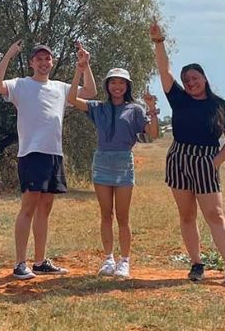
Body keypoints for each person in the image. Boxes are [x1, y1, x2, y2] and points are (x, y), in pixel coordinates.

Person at [149, 21, 225, 287]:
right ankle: (196, 264)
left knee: (215, 215)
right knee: (187, 215)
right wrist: (159, 42)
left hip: (206, 160)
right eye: (187, 80)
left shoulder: (220, 106)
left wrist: (215, 162)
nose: (191, 83)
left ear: (204, 79)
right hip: (179, 158)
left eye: (195, 78)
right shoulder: (178, 99)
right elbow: (164, 69)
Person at [0, 40, 97, 280]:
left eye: (47, 58)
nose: (43, 62)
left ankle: (39, 262)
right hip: (31, 153)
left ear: (52, 62)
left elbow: (90, 92)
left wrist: (84, 65)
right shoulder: (20, 85)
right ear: (31, 63)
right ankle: (20, 263)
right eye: (38, 59)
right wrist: (8, 54)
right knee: (28, 208)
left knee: (45, 210)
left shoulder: (60, 88)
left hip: (54, 154)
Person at [67, 52, 160, 279]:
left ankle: (125, 261)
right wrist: (80, 69)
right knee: (105, 214)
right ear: (107, 85)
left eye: (121, 83)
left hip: (123, 162)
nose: (117, 86)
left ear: (127, 86)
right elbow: (72, 99)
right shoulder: (98, 107)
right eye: (113, 82)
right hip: (102, 162)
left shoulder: (135, 109)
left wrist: (151, 109)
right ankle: (108, 259)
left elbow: (154, 134)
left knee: (123, 216)